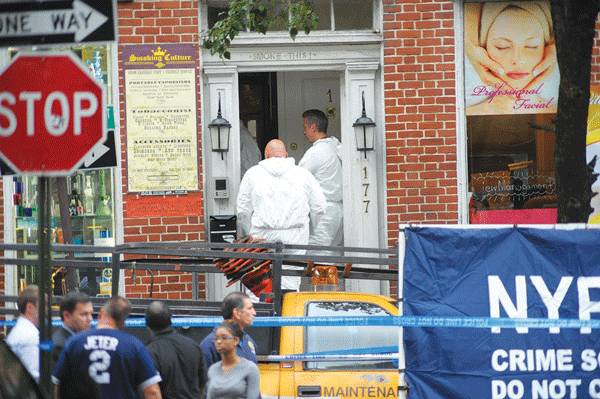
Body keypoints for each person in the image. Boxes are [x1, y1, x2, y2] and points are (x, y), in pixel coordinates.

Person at [237, 139, 326, 291]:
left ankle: (262, 312)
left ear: (266, 155)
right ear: (286, 154)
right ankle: (286, 311)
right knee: (290, 282)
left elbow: (242, 210)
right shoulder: (304, 174)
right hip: (295, 235)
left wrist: (249, 233)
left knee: (260, 283)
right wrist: (310, 230)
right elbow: (319, 208)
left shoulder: (252, 174)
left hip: (261, 235)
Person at [52, 296, 162, 399]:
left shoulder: (74, 342)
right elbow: (152, 392)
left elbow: (57, 386)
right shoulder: (134, 345)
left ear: (101, 314)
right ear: (123, 323)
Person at [464, 2, 558, 115]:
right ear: (484, 50)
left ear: (546, 49)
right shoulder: (460, 117)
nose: (517, 60)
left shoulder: (568, 117)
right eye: (502, 47)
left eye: (531, 46)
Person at [299, 109, 344, 256]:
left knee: (317, 256)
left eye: (305, 127)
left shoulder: (316, 152)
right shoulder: (334, 145)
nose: (304, 132)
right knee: (334, 255)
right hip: (339, 211)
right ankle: (335, 280)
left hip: (325, 211)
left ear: (313, 127)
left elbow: (298, 178)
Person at [145, 301, 207, 399]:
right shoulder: (193, 345)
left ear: (147, 324)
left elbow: (152, 391)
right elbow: (202, 384)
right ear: (170, 319)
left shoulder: (150, 352)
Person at [200, 292, 258, 372]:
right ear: (237, 313)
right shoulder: (210, 345)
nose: (254, 313)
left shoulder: (249, 341)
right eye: (249, 308)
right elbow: (204, 381)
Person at [205, 321, 260, 399]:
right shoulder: (213, 369)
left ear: (236, 340)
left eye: (224, 337)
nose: (219, 341)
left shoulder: (251, 369)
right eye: (216, 338)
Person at [6, 285, 39, 382]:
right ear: (29, 307)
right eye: (43, 305)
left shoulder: (20, 331)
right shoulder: (30, 336)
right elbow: (34, 378)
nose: (46, 310)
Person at [51, 290, 94, 363]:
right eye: (84, 314)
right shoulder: (60, 346)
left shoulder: (83, 340)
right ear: (67, 316)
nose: (90, 319)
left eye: (91, 314)